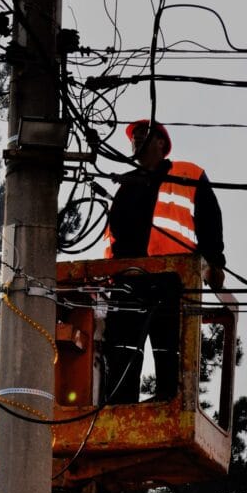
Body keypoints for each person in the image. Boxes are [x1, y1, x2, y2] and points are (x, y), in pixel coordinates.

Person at [100, 119, 226, 404]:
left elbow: (209, 220)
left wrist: (214, 263)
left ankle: (169, 401)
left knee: (170, 352)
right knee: (121, 355)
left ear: (161, 143)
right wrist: (110, 280)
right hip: (128, 282)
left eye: (144, 133)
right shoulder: (125, 186)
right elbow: (113, 238)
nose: (136, 139)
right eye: (134, 135)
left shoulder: (187, 174)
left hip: (172, 280)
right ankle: (120, 409)